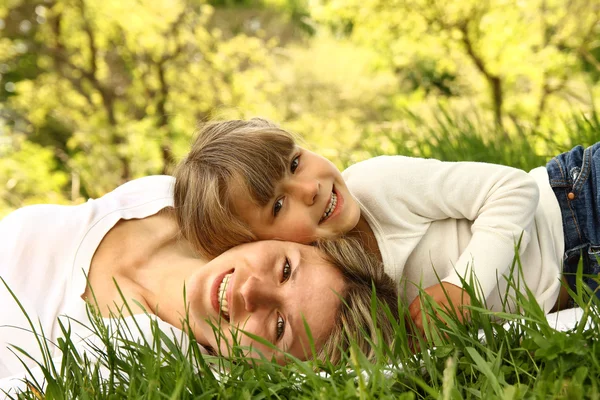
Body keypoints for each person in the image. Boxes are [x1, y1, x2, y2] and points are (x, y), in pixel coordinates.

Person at [174, 118, 599, 332]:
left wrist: (461, 287)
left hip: (575, 206)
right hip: (579, 282)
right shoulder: (324, 295)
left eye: (295, 162)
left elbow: (511, 190)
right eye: (279, 204)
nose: (309, 189)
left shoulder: (376, 185)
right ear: (255, 245)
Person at [0, 175, 398, 394]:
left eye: (279, 327)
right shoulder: (177, 200)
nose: (250, 292)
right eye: (285, 271)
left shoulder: (145, 358)